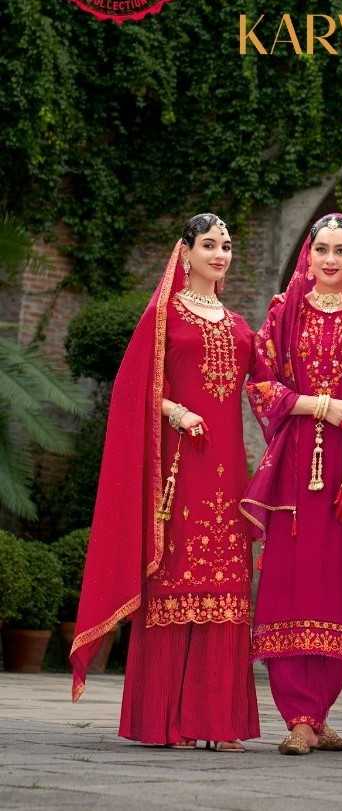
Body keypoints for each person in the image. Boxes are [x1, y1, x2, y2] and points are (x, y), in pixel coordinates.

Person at [71, 213, 262, 751]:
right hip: (180, 468)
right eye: (209, 244)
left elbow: (269, 384)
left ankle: (219, 721)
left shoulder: (240, 325)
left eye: (226, 245)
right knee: (176, 578)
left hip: (227, 471)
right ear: (186, 251)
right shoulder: (163, 317)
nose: (220, 254)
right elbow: (133, 391)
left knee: (225, 583)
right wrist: (176, 412)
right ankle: (168, 719)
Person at [241, 213, 342, 755]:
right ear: (307, 255)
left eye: (340, 250)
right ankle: (297, 717)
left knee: (337, 585)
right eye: (321, 249)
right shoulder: (283, 311)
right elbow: (260, 383)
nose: (330, 260)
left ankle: (319, 711)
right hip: (294, 467)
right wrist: (318, 405)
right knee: (290, 581)